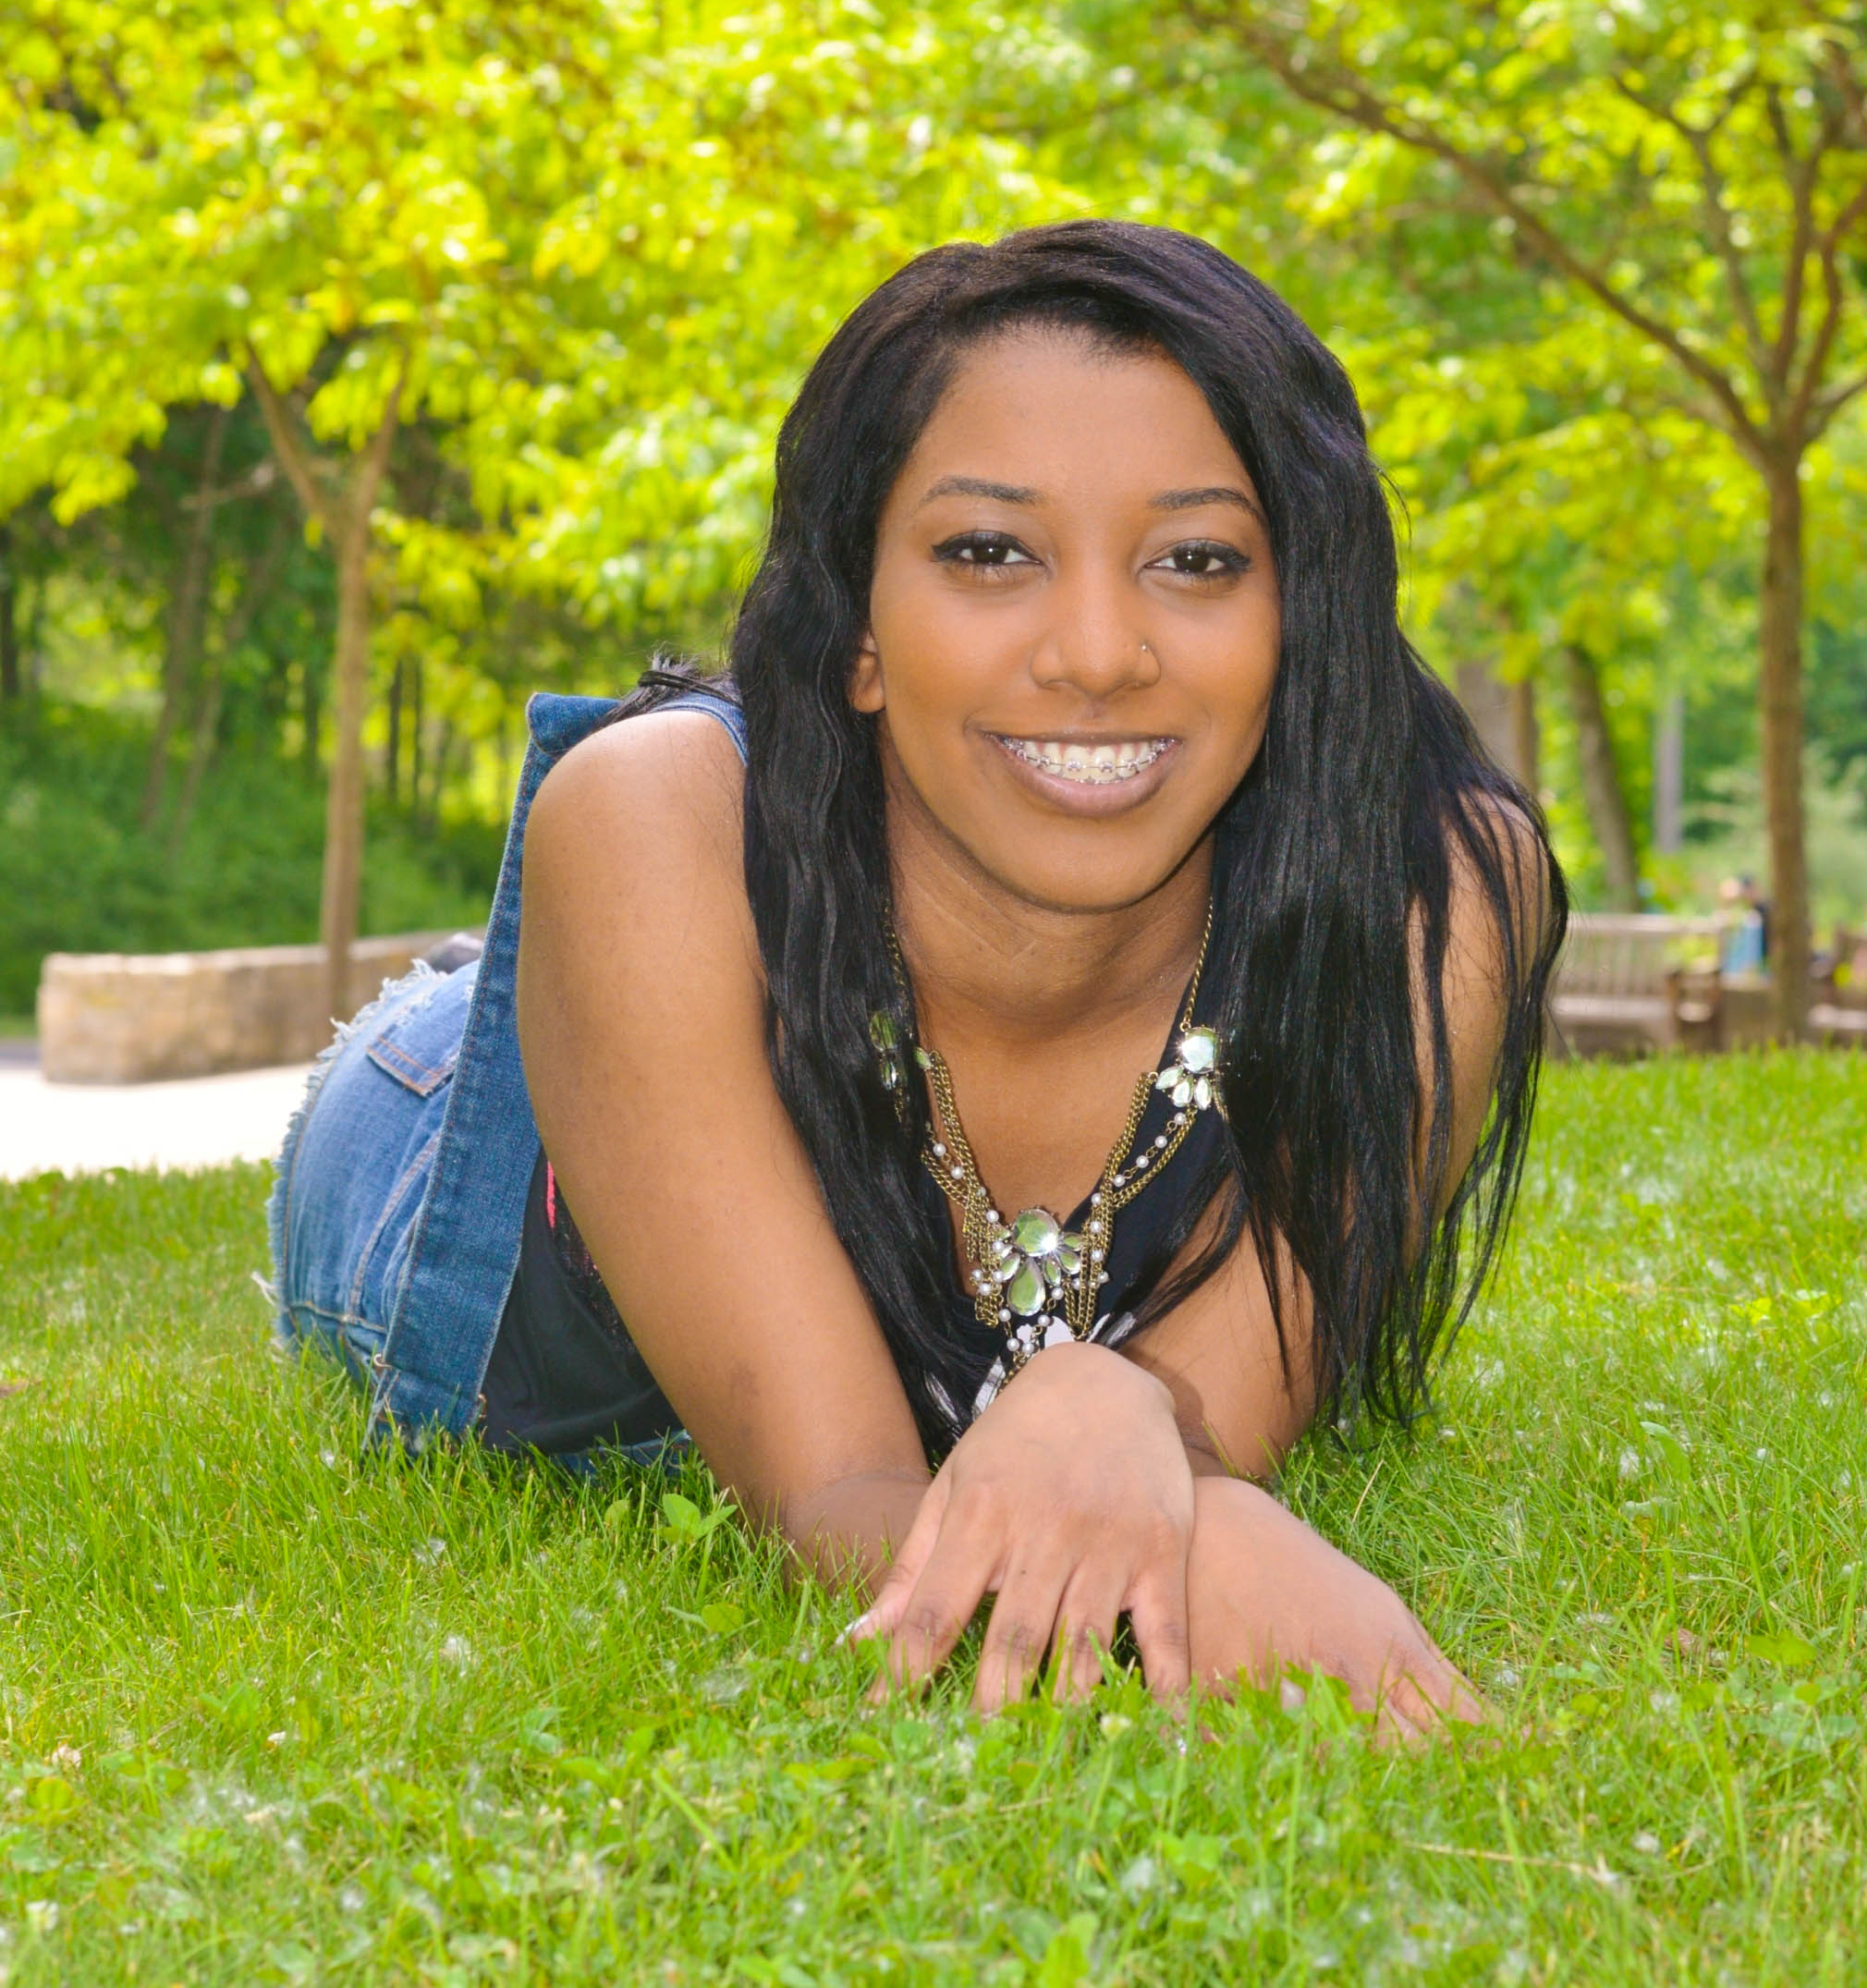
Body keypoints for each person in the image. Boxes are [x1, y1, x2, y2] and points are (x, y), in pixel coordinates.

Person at [270, 222, 1563, 1734]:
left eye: (1198, 560)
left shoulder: (1436, 898)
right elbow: (841, 1500)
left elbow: (1198, 1444)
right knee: (601, 926)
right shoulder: (652, 824)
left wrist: (1118, 1406)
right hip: (453, 1114)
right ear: (860, 633)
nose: (1098, 653)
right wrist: (1212, 1564)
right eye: (989, 553)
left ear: (1299, 619)